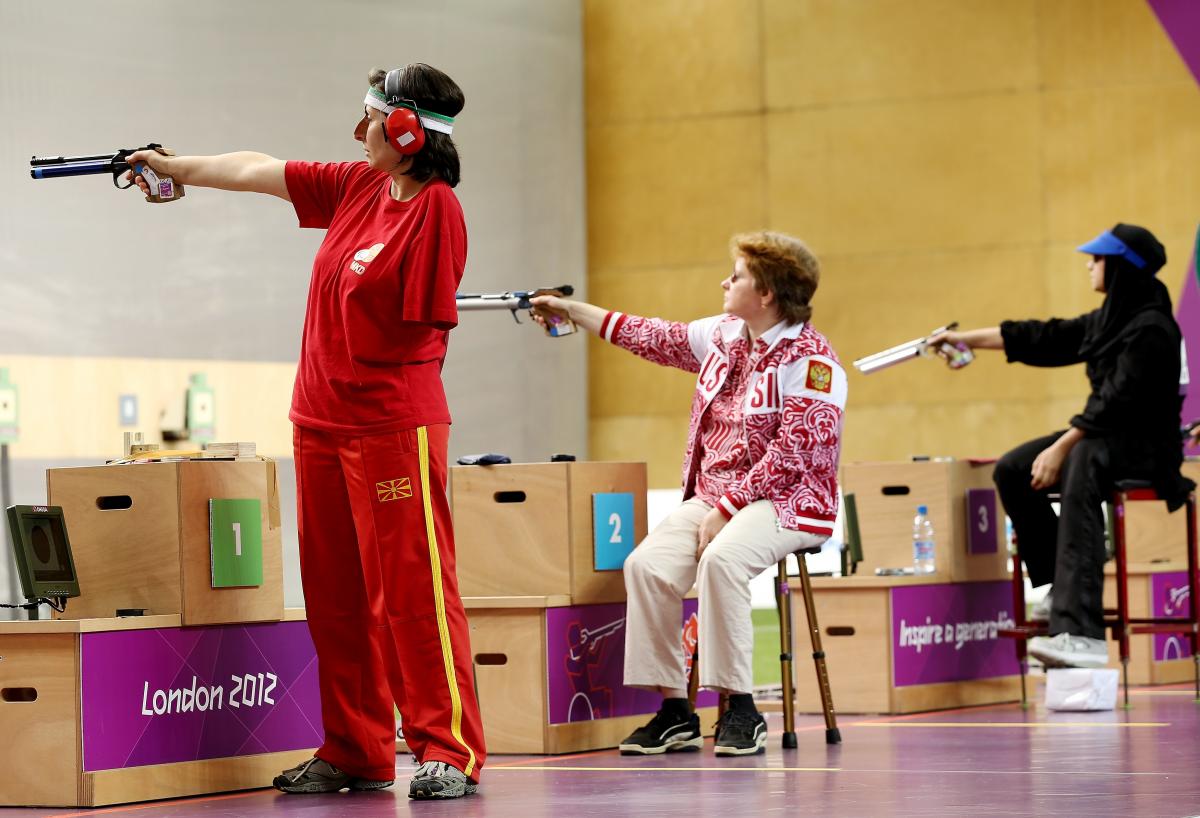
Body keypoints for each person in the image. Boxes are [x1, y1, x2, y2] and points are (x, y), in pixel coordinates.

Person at [125, 64, 485, 799]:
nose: (357, 132)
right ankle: (356, 749)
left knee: (412, 594)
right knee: (337, 596)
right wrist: (173, 167)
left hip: (393, 426)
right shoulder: (357, 187)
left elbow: (421, 333)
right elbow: (257, 168)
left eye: (370, 118)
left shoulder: (437, 210)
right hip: (319, 422)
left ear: (408, 130)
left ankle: (447, 748)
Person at [532, 231, 846, 756]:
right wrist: (571, 309)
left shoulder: (812, 360)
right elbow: (648, 335)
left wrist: (726, 508)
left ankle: (741, 708)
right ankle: (675, 710)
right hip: (716, 497)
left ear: (766, 292)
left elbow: (797, 452)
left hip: (790, 500)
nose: (727, 281)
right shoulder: (722, 335)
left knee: (721, 562)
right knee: (646, 567)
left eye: (738, 275)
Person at [930, 223, 1194, 669]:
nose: (1090, 265)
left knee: (1081, 461)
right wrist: (964, 339)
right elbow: (1045, 337)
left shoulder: (1152, 328)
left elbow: (1116, 401)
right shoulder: (1111, 319)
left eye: (1098, 258)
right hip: (1104, 434)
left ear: (1122, 267)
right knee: (1014, 468)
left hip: (1146, 446)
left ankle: (1081, 633)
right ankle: (1061, 585)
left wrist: (1062, 447)